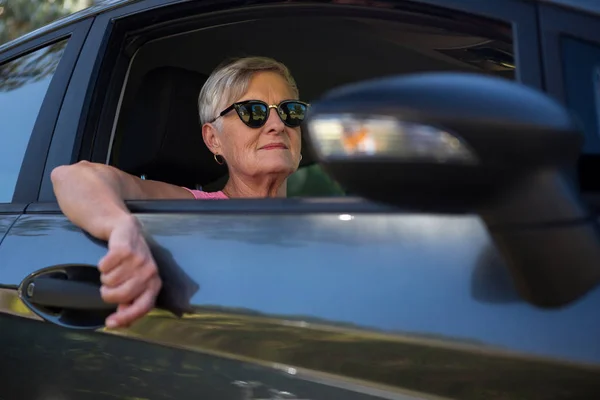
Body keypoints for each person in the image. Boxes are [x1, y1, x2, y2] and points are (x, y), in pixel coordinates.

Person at [50, 56, 308, 329]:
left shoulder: (326, 220)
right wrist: (121, 226)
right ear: (213, 139)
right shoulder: (190, 208)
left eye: (289, 111)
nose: (277, 125)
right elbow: (71, 176)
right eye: (253, 112)